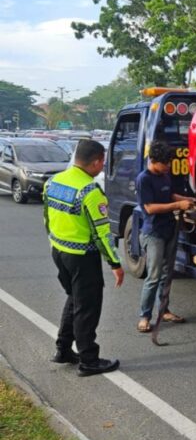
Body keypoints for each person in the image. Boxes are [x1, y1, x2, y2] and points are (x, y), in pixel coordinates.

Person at [44, 139, 123, 377]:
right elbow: (102, 235)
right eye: (103, 162)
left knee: (74, 298)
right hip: (82, 257)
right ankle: (89, 359)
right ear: (97, 161)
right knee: (87, 307)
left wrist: (55, 243)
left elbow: (46, 219)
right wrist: (115, 263)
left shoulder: (53, 182)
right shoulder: (90, 191)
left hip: (59, 251)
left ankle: (63, 349)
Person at [136, 140, 195, 332]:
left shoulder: (164, 175)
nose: (169, 166)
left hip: (169, 228)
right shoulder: (144, 179)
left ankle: (164, 311)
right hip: (153, 233)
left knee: (166, 274)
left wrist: (186, 199)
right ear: (153, 161)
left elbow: (169, 195)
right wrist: (178, 206)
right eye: (165, 163)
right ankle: (145, 317)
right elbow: (150, 208)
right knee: (153, 276)